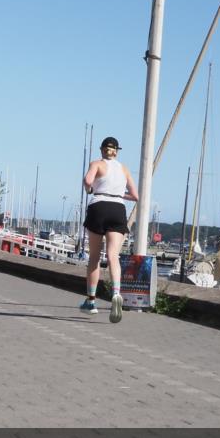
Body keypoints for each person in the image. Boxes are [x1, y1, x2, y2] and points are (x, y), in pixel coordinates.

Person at [80, 136, 138, 322]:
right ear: (116, 151)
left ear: (102, 150)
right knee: (113, 255)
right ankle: (116, 293)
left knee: (95, 257)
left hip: (99, 206)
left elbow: (87, 180)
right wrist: (120, 194)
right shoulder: (124, 169)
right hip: (118, 208)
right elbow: (135, 196)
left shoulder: (96, 164)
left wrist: (90, 189)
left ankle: (91, 301)